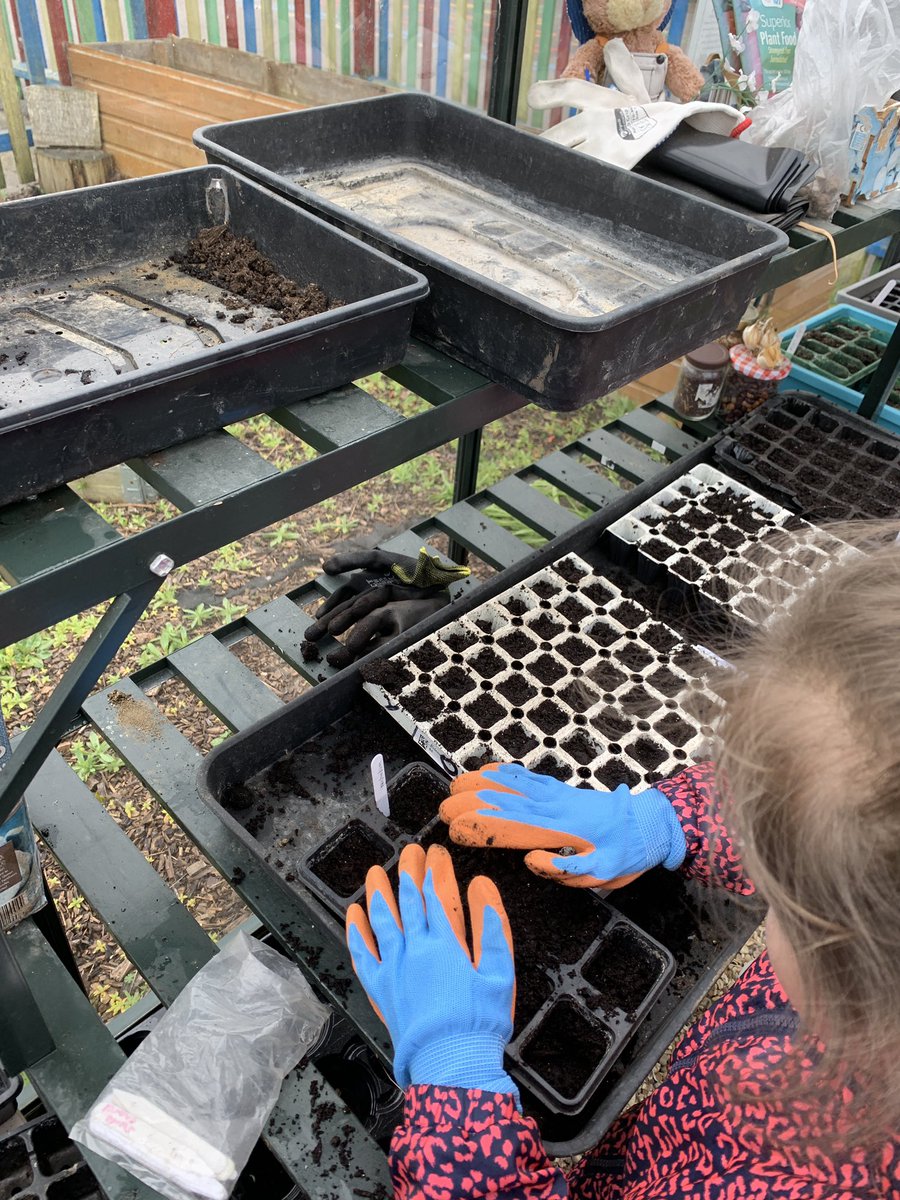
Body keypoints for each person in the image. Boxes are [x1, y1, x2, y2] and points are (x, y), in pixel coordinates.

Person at [345, 534, 900, 1199]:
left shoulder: (798, 1181)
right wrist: (669, 821)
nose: (760, 877)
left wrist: (454, 1081)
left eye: (777, 884)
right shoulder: (865, 992)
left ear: (847, 945)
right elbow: (856, 810)